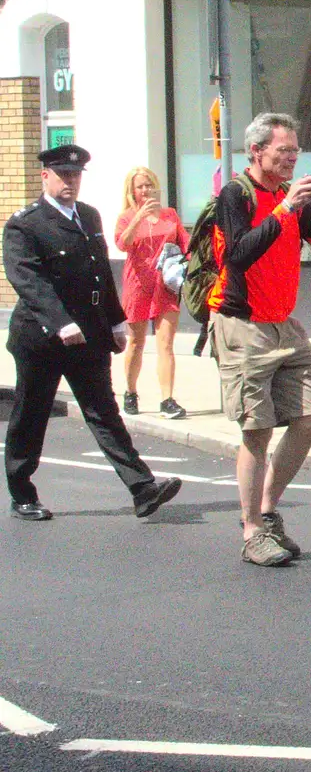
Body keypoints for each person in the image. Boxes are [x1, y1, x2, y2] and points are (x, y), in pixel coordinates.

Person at [3, 145, 182, 522]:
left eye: (76, 175)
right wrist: (60, 322)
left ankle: (142, 487)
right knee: (31, 414)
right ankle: (22, 492)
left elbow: (100, 272)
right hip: (43, 337)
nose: (71, 182)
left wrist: (116, 322)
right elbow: (28, 281)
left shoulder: (87, 215)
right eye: (63, 175)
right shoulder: (26, 223)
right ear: (45, 177)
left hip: (89, 335)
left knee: (104, 412)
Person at [209, 112, 311, 567]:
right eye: (283, 151)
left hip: (283, 323)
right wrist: (284, 208)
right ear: (257, 152)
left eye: (295, 150)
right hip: (242, 322)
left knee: (310, 416)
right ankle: (252, 530)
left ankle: (267, 510)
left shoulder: (292, 198)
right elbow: (237, 254)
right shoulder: (236, 195)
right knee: (257, 428)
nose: (292, 158)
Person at [115, 166, 189, 419]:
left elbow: (185, 243)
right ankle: (131, 392)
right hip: (138, 284)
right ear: (132, 191)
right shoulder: (127, 216)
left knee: (166, 344)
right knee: (135, 343)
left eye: (149, 185)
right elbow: (122, 244)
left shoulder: (169, 214)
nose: (145, 190)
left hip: (165, 285)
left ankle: (167, 399)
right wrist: (138, 218)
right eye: (140, 186)